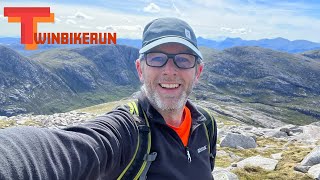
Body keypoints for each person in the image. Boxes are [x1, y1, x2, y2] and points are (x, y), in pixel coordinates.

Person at [0, 17, 217, 180]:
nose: (170, 70)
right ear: (140, 70)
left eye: (183, 59)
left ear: (198, 72)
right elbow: (61, 150)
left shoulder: (206, 125)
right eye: (157, 58)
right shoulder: (128, 131)